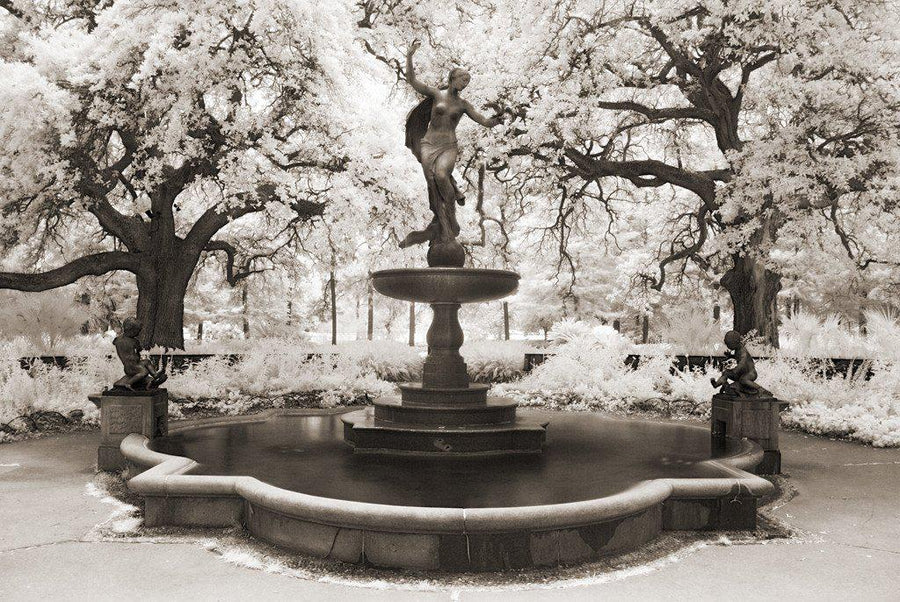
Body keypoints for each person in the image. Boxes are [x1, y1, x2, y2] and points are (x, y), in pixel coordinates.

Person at [400, 39, 504, 254]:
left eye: (468, 81)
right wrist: (409, 56)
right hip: (429, 144)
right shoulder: (436, 94)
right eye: (463, 79)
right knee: (432, 183)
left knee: (441, 175)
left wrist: (499, 118)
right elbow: (412, 80)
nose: (465, 83)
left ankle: (451, 214)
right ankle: (443, 221)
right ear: (452, 78)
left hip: (448, 145)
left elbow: (484, 121)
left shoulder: (463, 105)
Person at [113, 318, 166, 390]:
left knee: (146, 361)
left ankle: (155, 375)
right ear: (131, 330)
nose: (138, 333)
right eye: (138, 331)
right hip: (131, 367)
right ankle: (128, 383)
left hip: (132, 365)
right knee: (144, 372)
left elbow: (114, 342)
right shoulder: (134, 341)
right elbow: (139, 349)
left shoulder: (117, 339)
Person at [710, 330, 760, 395]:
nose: (728, 346)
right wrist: (730, 356)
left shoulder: (743, 352)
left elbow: (742, 362)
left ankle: (759, 389)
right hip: (741, 373)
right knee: (726, 373)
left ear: (734, 343)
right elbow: (737, 357)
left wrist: (736, 369)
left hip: (750, 374)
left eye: (729, 345)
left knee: (743, 380)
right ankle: (716, 384)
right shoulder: (738, 348)